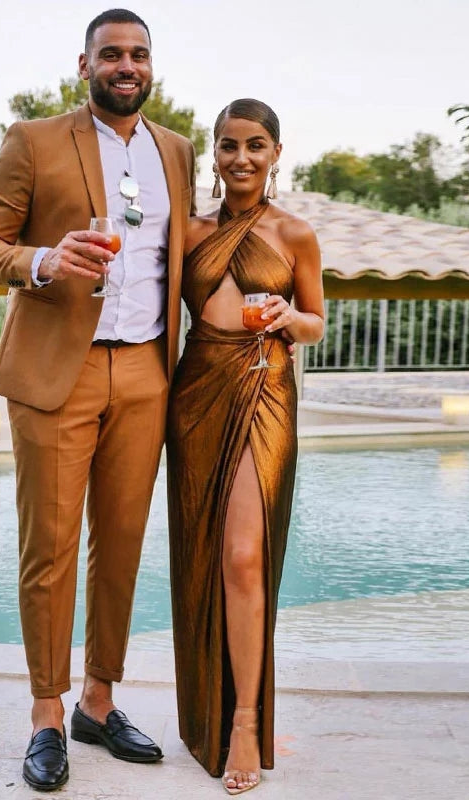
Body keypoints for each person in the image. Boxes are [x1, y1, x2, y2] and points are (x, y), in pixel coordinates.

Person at [0, 8, 196, 793]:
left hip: (146, 374)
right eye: (110, 54)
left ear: (150, 66)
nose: (124, 65)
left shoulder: (177, 152)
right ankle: (46, 714)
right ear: (85, 64)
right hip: (58, 372)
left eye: (137, 54)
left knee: (122, 545)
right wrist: (42, 260)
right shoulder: (34, 141)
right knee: (50, 551)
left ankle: (100, 699)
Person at [166, 99, 325, 795]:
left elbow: (316, 321)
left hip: (266, 387)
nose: (241, 159)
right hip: (197, 390)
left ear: (277, 152)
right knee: (205, 554)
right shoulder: (189, 231)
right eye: (229, 146)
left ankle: (244, 721)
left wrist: (293, 315)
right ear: (215, 152)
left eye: (255, 146)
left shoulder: (296, 233)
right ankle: (206, 710)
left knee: (243, 554)